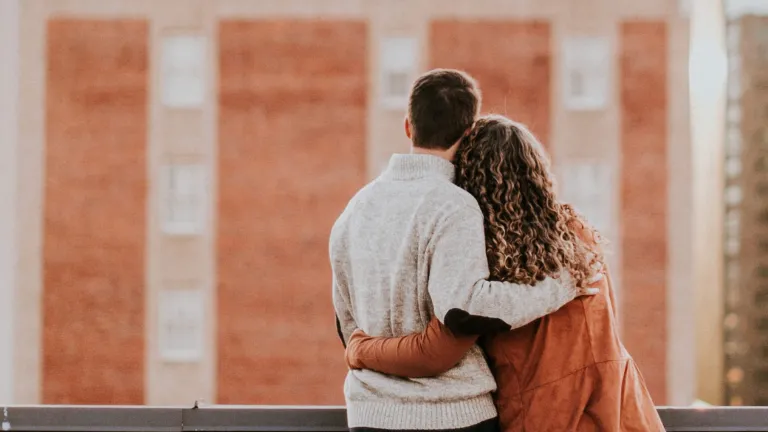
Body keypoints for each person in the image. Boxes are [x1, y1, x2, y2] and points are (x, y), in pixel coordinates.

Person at [343, 115, 665, 432]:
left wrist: (360, 349)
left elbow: (439, 348)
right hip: (619, 412)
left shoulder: (491, 259)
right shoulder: (578, 236)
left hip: (540, 419)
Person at [330, 69, 602, 432]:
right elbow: (465, 308)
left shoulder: (353, 210)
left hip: (369, 416)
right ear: (470, 132)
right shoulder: (454, 206)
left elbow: (347, 326)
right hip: (453, 417)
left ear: (408, 126)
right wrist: (560, 285)